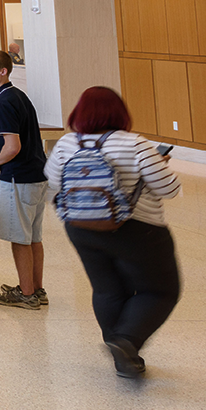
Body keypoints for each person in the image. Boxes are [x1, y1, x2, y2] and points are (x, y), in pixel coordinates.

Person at [46, 86, 181, 379]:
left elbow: (54, 183)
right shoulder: (136, 145)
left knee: (107, 289)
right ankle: (126, 342)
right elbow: (169, 189)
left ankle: (122, 353)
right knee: (159, 289)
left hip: (80, 228)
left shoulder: (68, 143)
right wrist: (157, 167)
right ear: (119, 112)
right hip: (137, 229)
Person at [0, 50, 49, 310]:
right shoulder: (19, 96)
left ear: (3, 71)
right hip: (37, 175)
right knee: (33, 237)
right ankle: (36, 288)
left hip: (20, 178)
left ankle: (26, 293)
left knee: (19, 238)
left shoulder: (4, 102)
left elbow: (12, 146)